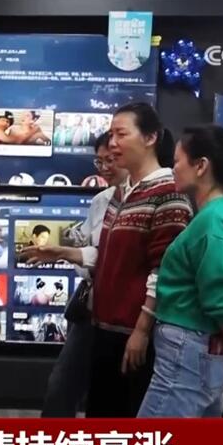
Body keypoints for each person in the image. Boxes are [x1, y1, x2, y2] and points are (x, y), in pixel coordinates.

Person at [138, 125, 223, 417]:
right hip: (204, 355)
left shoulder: (211, 223)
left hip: (187, 357)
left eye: (178, 161)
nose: (173, 168)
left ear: (201, 166)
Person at [84, 102, 193, 417]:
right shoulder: (121, 192)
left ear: (150, 138)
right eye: (111, 135)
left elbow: (165, 271)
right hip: (105, 330)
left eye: (121, 134)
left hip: (136, 337)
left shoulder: (169, 193)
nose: (113, 143)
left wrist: (142, 330)